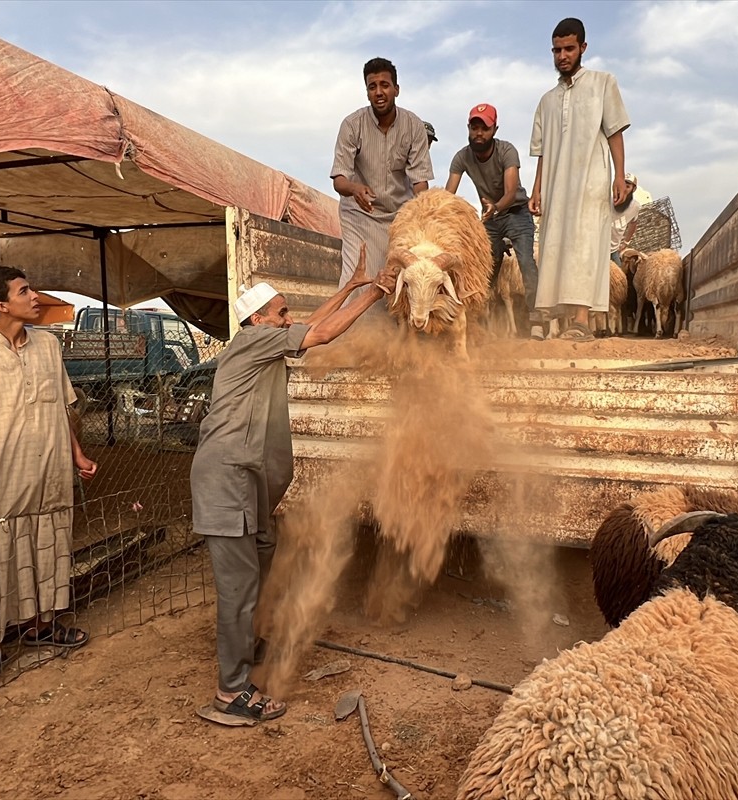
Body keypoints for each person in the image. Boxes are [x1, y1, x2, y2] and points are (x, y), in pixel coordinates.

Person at [191, 246, 398, 724]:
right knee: (239, 587)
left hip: (245, 484)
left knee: (262, 558)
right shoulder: (252, 342)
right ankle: (231, 692)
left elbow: (308, 325)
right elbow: (321, 333)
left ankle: (250, 643)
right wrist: (374, 297)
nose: (289, 320)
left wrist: (351, 287)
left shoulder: (261, 341)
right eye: (281, 313)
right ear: (258, 320)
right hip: (228, 483)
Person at [0, 267, 98, 697]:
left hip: (48, 476)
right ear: (1, 305)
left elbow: (62, 408)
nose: (35, 297)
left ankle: (42, 627)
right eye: (25, 291)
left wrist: (77, 454)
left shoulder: (48, 346)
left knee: (48, 548)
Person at [528, 17, 630, 341]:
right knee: (556, 246)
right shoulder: (546, 101)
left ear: (583, 48)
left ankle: (582, 322)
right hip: (558, 184)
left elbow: (614, 132)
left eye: (569, 49)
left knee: (585, 246)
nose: (562, 56)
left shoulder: (603, 83)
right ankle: (562, 321)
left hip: (592, 180)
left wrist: (619, 176)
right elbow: (542, 151)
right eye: (557, 50)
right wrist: (537, 188)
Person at [331, 57, 433, 292]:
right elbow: (339, 180)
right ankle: (349, 329)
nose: (379, 92)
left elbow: (420, 181)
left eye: (384, 85)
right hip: (360, 213)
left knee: (399, 279)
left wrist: (422, 213)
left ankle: (389, 329)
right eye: (372, 86)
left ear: (396, 89)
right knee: (358, 279)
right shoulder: (351, 125)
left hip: (400, 217)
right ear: (366, 92)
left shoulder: (414, 125)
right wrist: (355, 189)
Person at [445, 102, 541, 338]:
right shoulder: (461, 157)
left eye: (484, 128)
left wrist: (495, 208)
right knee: (485, 270)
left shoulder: (507, 151)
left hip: (515, 211)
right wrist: (441, 214)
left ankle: (537, 320)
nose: (479, 133)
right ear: (468, 128)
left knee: (526, 263)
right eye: (474, 127)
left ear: (494, 130)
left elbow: (510, 192)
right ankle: (476, 322)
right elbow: (448, 195)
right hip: (490, 217)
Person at [610, 172, 642, 268]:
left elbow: (633, 223)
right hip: (598, 247)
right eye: (622, 185)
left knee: (620, 278)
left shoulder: (635, 207)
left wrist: (626, 243)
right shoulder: (607, 199)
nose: (624, 189)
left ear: (633, 189)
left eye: (627, 187)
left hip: (613, 249)